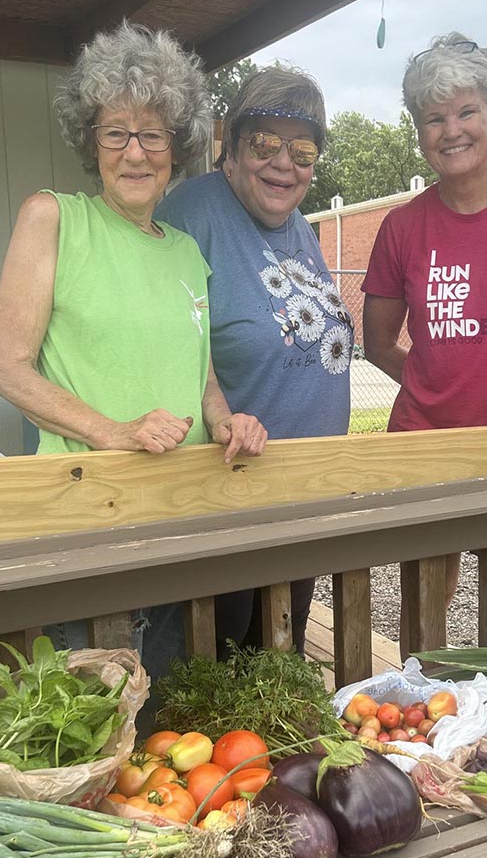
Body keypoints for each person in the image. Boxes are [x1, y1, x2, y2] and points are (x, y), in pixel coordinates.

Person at [0, 22, 267, 686]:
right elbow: (9, 366)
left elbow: (200, 384)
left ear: (178, 145)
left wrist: (229, 423)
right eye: (116, 132)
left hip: (178, 522)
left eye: (153, 134)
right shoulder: (53, 218)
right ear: (93, 143)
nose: (135, 152)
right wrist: (114, 433)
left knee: (166, 724)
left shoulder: (186, 252)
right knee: (93, 722)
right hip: (89, 523)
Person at [361, 32, 487, 656]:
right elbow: (378, 340)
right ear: (419, 131)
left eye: (466, 111)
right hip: (426, 443)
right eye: (433, 117)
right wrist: (435, 386)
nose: (452, 130)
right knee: (424, 621)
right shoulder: (403, 226)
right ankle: (429, 727)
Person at [155, 64, 353, 658]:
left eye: (303, 149)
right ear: (230, 148)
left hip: (301, 495)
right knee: (217, 672)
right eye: (264, 143)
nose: (284, 163)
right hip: (232, 497)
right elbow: (168, 343)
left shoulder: (296, 223)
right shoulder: (193, 212)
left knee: (277, 662)